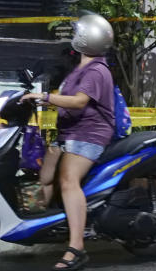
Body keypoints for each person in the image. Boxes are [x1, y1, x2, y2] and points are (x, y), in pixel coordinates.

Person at [21, 14, 115, 271]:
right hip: (69, 133)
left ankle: (76, 248)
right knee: (45, 175)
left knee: (67, 179)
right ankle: (36, 228)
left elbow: (79, 102)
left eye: (77, 32)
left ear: (87, 38)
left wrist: (46, 98)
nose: (73, 35)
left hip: (89, 135)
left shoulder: (96, 70)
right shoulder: (80, 68)